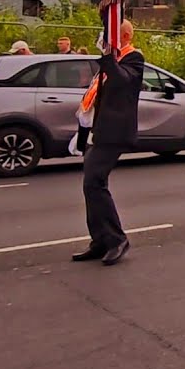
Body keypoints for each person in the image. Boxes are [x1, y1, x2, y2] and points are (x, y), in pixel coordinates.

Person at [70, 20, 145, 267]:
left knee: (94, 182)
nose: (103, 39)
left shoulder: (133, 58)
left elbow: (122, 81)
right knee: (91, 185)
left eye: (109, 35)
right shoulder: (113, 60)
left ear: (124, 36)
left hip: (114, 132)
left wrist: (108, 57)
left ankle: (116, 239)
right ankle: (100, 240)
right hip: (98, 131)